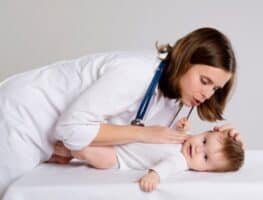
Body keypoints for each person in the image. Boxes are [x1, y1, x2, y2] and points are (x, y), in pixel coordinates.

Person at [0, 27, 239, 197]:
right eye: (204, 80)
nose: (208, 94)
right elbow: (72, 129)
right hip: (22, 116)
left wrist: (226, 145)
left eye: (215, 88)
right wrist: (144, 135)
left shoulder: (174, 96)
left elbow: (147, 143)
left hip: (48, 134)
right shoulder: (136, 73)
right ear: (185, 60)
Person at [51, 117, 244, 193]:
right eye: (204, 141)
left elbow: (167, 166)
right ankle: (65, 147)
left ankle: (69, 151)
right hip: (122, 141)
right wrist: (180, 127)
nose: (198, 150)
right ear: (206, 132)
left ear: (207, 171)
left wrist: (154, 175)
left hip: (118, 158)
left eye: (205, 158)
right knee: (93, 134)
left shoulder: (181, 160)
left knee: (86, 151)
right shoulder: (184, 139)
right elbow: (167, 133)